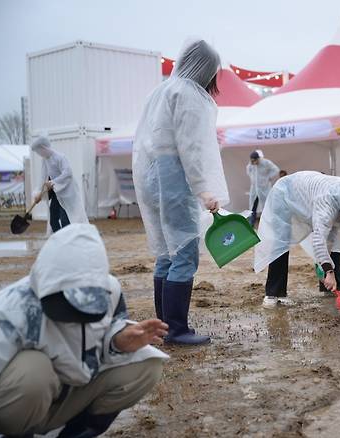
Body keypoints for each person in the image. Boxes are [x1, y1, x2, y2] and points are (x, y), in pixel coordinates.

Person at [0, 224, 167, 437]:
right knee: (34, 369)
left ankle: (75, 433)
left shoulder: (108, 291)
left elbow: (104, 330)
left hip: (70, 393)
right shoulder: (8, 311)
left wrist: (117, 341)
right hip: (18, 409)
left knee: (146, 363)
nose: (76, 313)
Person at [133, 39, 229, 345]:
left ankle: (162, 327)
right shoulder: (188, 94)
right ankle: (176, 329)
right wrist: (205, 191)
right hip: (173, 177)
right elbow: (191, 148)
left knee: (166, 253)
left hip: (151, 177)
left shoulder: (160, 90)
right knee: (185, 251)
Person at [254, 171, 340, 308]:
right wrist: (328, 271)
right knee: (281, 242)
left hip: (308, 195)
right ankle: (273, 294)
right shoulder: (327, 203)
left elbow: (331, 238)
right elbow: (318, 240)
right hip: (285, 194)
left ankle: (332, 288)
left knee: (335, 243)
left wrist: (322, 266)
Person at [31, 136, 88, 232]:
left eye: (38, 151)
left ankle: (69, 240)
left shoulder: (60, 157)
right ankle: (59, 239)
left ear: (44, 148)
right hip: (57, 194)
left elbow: (68, 173)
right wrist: (38, 193)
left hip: (68, 193)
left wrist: (53, 182)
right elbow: (43, 177)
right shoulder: (45, 160)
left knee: (66, 220)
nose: (39, 154)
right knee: (53, 220)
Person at [247, 150, 280, 227]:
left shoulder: (266, 163)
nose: (253, 163)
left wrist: (268, 178)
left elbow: (276, 169)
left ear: (258, 159)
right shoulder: (251, 165)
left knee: (267, 205)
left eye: (254, 161)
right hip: (255, 189)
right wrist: (252, 179)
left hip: (264, 189)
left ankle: (269, 223)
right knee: (253, 206)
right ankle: (252, 222)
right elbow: (248, 171)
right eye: (252, 161)